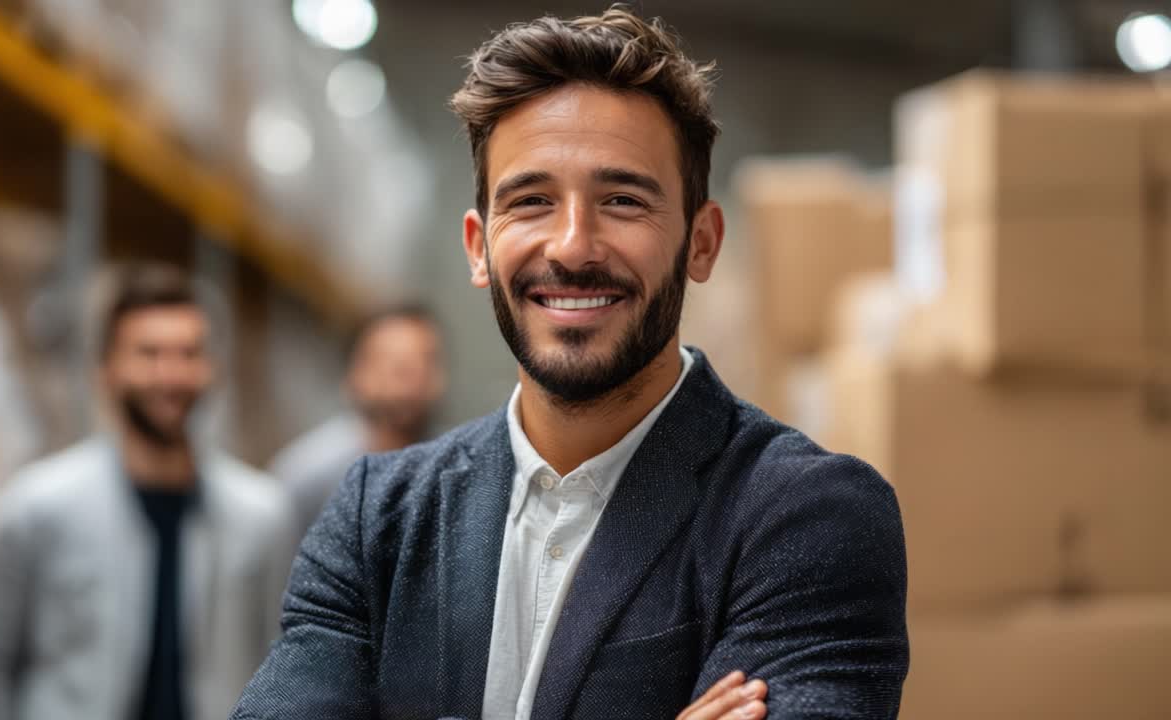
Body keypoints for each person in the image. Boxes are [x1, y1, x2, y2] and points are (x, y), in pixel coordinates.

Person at [232, 8, 907, 720]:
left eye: (622, 200)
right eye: (531, 202)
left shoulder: (806, 516)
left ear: (702, 243)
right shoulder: (380, 518)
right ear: (478, 247)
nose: (572, 246)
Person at [0, 263, 294, 720]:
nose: (170, 374)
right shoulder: (35, 509)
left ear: (210, 368)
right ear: (106, 369)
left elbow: (282, 666)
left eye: (188, 353)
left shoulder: (263, 516)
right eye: (148, 352)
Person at [270, 305, 446, 532]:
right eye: (392, 364)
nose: (408, 381)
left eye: (424, 362)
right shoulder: (306, 475)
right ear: (353, 372)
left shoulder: (461, 470)